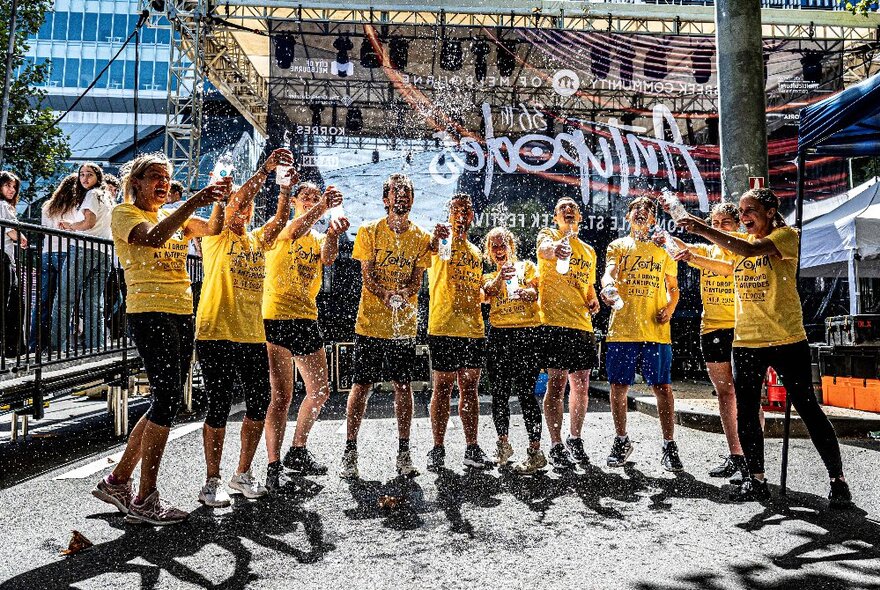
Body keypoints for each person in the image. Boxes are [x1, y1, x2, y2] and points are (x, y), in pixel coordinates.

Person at [675, 188, 852, 507]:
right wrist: (692, 255)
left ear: (770, 212)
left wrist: (703, 229)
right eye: (741, 212)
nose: (744, 218)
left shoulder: (786, 236)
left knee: (807, 408)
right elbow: (726, 267)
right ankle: (756, 479)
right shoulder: (741, 247)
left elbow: (747, 250)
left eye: (750, 211)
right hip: (746, 342)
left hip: (786, 339)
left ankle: (837, 481)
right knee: (746, 409)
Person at [91, 152, 230, 526]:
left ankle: (118, 481)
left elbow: (213, 229)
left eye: (167, 177)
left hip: (182, 312)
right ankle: (145, 497)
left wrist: (218, 200)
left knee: (163, 400)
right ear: (135, 182)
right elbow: (152, 240)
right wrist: (193, 203)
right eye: (156, 177)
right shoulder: (125, 214)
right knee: (167, 400)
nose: (163, 183)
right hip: (149, 312)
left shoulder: (172, 217)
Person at [194, 148, 299, 507]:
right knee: (219, 403)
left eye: (246, 209)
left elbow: (282, 218)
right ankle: (212, 480)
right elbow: (237, 198)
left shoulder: (256, 240)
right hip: (216, 332)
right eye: (236, 206)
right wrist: (265, 171)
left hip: (252, 334)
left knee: (259, 402)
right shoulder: (214, 237)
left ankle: (242, 474)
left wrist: (284, 189)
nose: (241, 211)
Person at [340, 173, 432, 479]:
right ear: (385, 200)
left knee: (403, 386)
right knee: (361, 385)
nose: (402, 196)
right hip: (369, 324)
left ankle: (404, 453)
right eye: (396, 192)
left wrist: (404, 294)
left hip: (403, 326)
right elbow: (367, 277)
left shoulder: (420, 236)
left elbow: (418, 279)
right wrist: (385, 294)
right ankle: (350, 452)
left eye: (407, 192)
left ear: (413, 199)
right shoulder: (368, 231)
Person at [263, 181, 348, 491]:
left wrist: (332, 234)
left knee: (320, 390)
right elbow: (296, 230)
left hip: (306, 317)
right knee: (282, 396)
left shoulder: (313, 235)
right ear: (296, 200)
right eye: (308, 196)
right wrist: (322, 207)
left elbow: (328, 258)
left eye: (317, 195)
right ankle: (273, 466)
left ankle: (298, 449)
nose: (313, 199)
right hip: (276, 317)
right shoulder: (281, 228)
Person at [660, 202, 749, 481]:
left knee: (747, 395)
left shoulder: (746, 245)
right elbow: (676, 244)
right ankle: (735, 455)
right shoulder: (707, 248)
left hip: (743, 328)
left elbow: (727, 268)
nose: (721, 228)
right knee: (725, 395)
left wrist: (692, 258)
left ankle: (751, 458)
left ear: (737, 225)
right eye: (716, 223)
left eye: (726, 223)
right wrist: (665, 229)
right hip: (711, 329)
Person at [600, 196, 682, 472]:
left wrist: (670, 308)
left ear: (653, 219)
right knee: (618, 387)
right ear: (627, 217)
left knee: (662, 387)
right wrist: (608, 286)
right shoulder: (619, 245)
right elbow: (608, 273)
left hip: (656, 331)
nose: (640, 214)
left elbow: (674, 289)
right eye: (635, 211)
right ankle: (622, 440)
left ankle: (669, 444)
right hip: (622, 328)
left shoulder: (664, 249)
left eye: (646, 211)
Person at [426, 193, 493, 472]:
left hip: (473, 329)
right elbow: (438, 251)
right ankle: (437, 448)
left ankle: (471, 447)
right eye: (456, 211)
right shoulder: (443, 241)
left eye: (466, 211)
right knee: (442, 387)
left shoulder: (476, 253)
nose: (462, 215)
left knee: (470, 389)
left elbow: (477, 291)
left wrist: (487, 292)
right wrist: (441, 236)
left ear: (473, 216)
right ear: (449, 215)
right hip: (443, 326)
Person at [535, 197, 600, 470]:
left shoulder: (588, 251)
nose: (568, 210)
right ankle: (555, 443)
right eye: (562, 208)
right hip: (553, 321)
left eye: (572, 207)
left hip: (582, 325)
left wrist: (594, 299)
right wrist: (556, 250)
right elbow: (545, 250)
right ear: (555, 217)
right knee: (557, 383)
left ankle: (575, 438)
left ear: (580, 217)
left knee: (581, 384)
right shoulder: (548, 235)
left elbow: (588, 288)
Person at [482, 227, 546, 474]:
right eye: (494, 247)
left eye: (503, 245)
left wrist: (526, 293)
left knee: (526, 393)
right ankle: (503, 444)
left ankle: (535, 451)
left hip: (527, 333)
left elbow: (535, 292)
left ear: (512, 246)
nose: (499, 250)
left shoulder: (527, 267)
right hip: (499, 335)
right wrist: (500, 275)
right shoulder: (488, 273)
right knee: (499, 393)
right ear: (489, 251)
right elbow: (488, 292)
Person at [58, 163, 115, 350]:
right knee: (93, 303)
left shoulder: (91, 194)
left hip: (84, 249)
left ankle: (58, 346)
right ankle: (95, 346)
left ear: (98, 177)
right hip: (104, 252)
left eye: (89, 174)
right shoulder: (107, 197)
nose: (84, 178)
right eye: (81, 174)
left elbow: (88, 223)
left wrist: (70, 226)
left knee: (65, 298)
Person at [30, 173, 82, 352]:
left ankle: (35, 344)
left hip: (46, 254)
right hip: (67, 253)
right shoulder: (76, 207)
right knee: (63, 302)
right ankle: (58, 345)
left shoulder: (48, 206)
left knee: (43, 301)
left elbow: (45, 230)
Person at [0, 171, 27, 357]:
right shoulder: (3, 206)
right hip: (3, 257)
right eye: (8, 185)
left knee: (14, 303)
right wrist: (23, 237)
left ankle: (11, 348)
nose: (12, 190)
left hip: (7, 258)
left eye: (14, 186)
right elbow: (11, 232)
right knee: (10, 303)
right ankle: (10, 349)